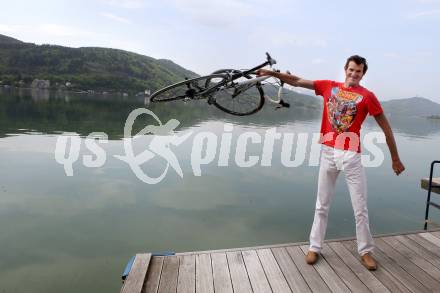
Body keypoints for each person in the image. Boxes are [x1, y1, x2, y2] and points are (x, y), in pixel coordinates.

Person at [256, 55, 405, 270]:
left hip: (351, 156)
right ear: (345, 69)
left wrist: (395, 158)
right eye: (351, 69)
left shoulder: (367, 96)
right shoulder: (328, 87)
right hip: (328, 152)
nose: (354, 74)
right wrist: (271, 73)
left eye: (359, 71)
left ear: (363, 74)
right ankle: (314, 247)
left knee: (360, 208)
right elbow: (297, 81)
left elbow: (386, 127)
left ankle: (365, 251)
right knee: (321, 205)